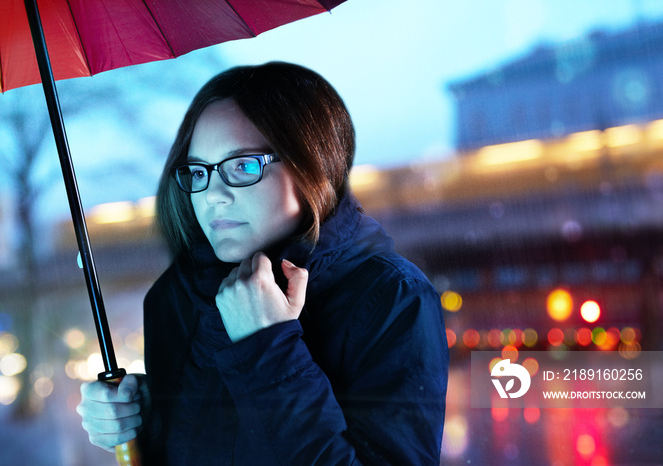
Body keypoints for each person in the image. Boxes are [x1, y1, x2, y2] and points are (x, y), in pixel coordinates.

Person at [77, 61, 449, 465]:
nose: (212, 194)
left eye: (242, 166)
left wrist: (268, 348)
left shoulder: (391, 297)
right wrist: (144, 419)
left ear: (313, 164)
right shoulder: (174, 297)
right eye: (198, 171)